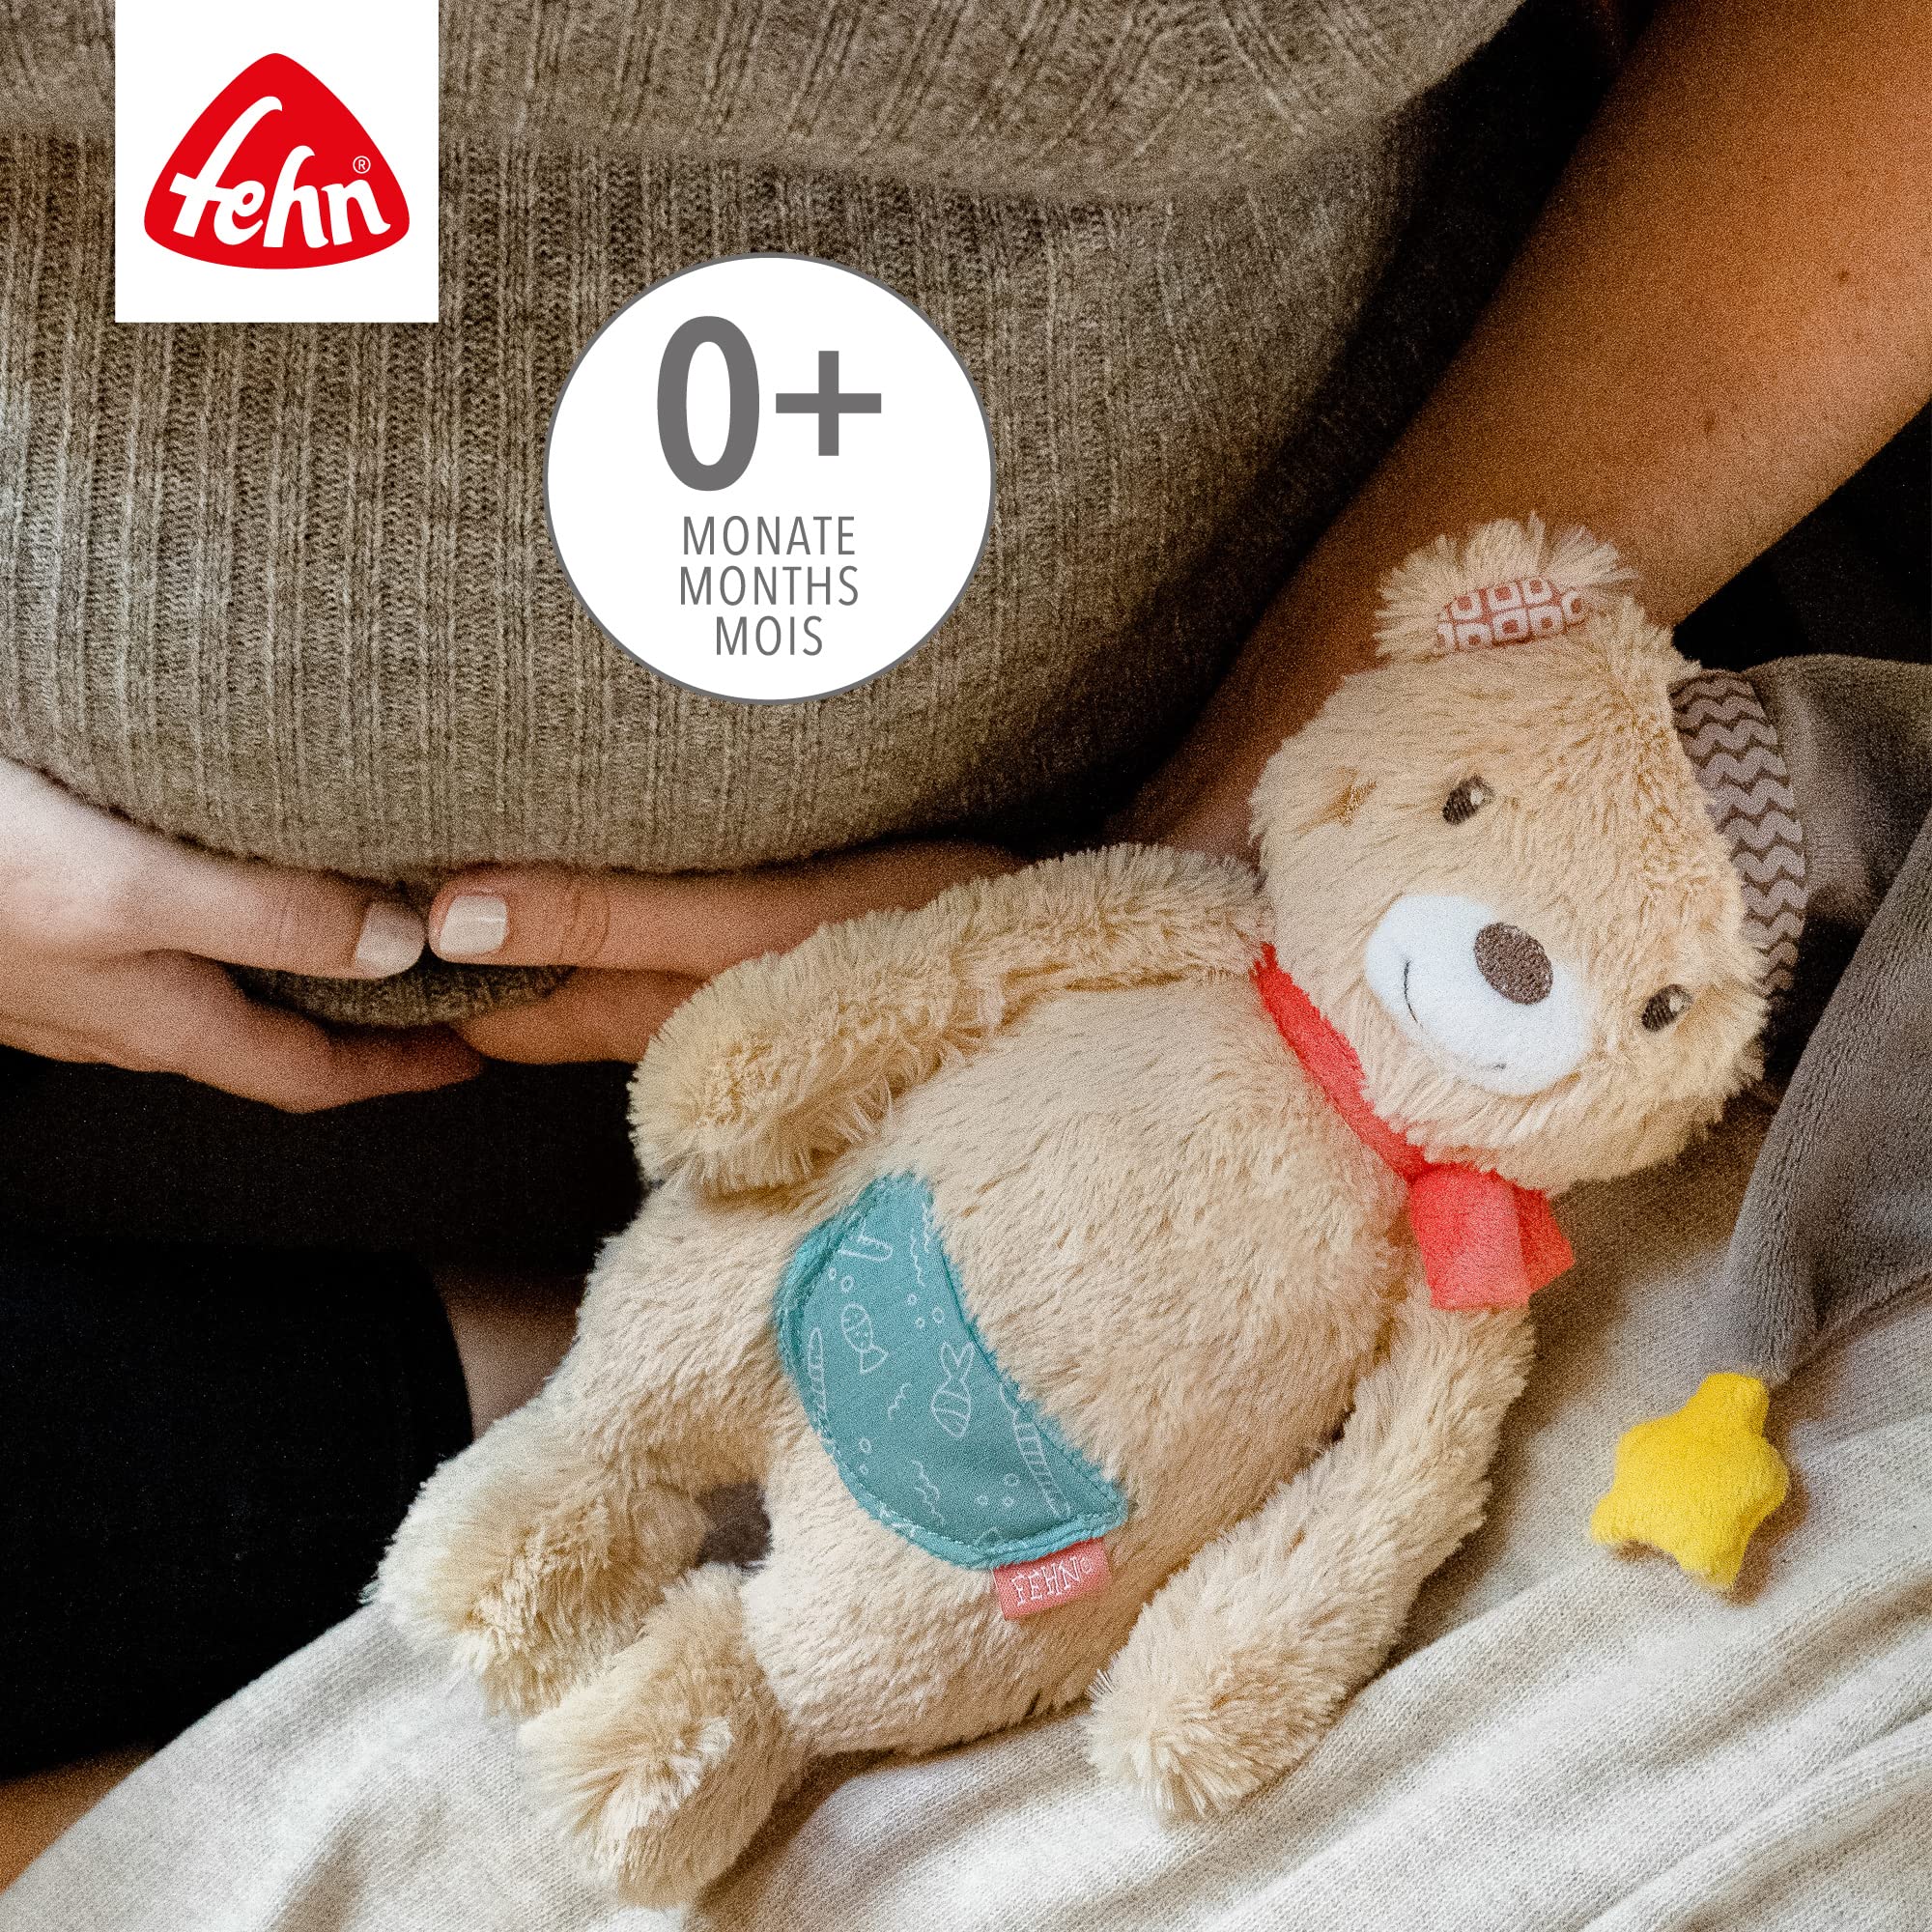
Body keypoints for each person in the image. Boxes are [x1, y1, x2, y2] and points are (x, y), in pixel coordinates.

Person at [1, 0, 1928, 1889]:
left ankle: (611, 1527)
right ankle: (526, 1397)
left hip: (1233, 791)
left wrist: (1227, 822)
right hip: (118, 1064)